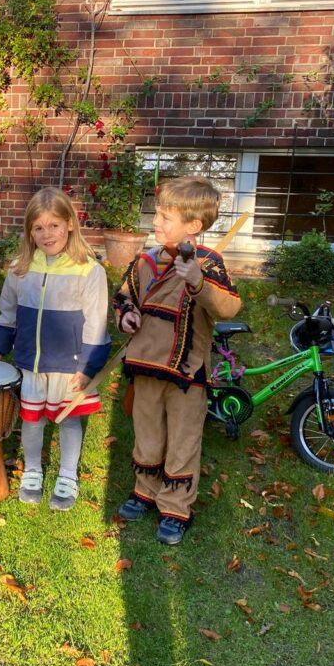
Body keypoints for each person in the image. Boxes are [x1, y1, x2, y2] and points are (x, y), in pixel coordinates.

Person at [113, 176, 242, 545]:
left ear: (194, 226)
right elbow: (124, 297)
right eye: (158, 214)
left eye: (165, 217)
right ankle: (145, 491)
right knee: (148, 432)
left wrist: (199, 282)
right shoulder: (146, 260)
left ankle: (175, 506)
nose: (156, 222)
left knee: (183, 439)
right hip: (145, 366)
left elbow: (229, 306)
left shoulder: (208, 263)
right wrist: (126, 316)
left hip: (187, 372)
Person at [0, 187, 111, 511]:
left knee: (68, 421)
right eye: (38, 227)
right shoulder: (20, 268)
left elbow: (96, 323)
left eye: (54, 225)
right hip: (31, 363)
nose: (46, 234)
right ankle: (33, 472)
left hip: (69, 367)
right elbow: (8, 313)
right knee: (32, 419)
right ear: (29, 232)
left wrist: (87, 368)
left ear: (70, 223)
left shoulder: (89, 270)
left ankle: (67, 475)